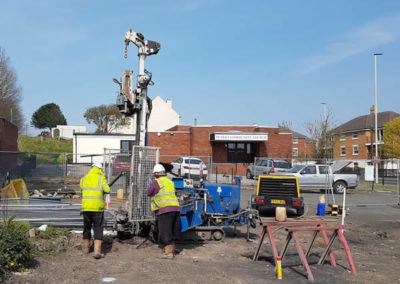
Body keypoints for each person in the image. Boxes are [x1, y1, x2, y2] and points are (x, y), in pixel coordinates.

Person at [146, 164, 180, 259]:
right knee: (172, 230)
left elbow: (149, 192)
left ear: (156, 174)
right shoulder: (170, 182)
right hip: (175, 208)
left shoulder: (157, 182)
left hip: (165, 210)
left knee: (165, 231)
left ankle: (168, 253)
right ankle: (172, 248)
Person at [80, 161, 110, 259]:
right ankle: (97, 252)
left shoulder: (84, 178)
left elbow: (82, 190)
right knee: (98, 228)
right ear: (100, 169)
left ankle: (86, 249)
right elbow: (107, 190)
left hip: (86, 208)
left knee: (86, 228)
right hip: (97, 208)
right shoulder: (101, 178)